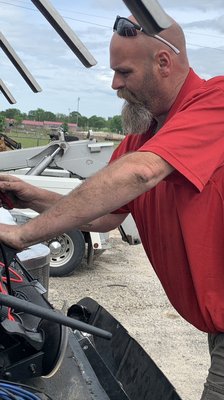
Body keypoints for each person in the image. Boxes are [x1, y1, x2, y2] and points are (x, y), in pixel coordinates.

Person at [0, 14, 224, 399]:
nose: (115, 84)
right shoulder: (144, 136)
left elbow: (140, 174)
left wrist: (22, 235)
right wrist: (29, 194)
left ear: (163, 63)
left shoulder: (216, 102)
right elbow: (106, 214)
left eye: (123, 72)